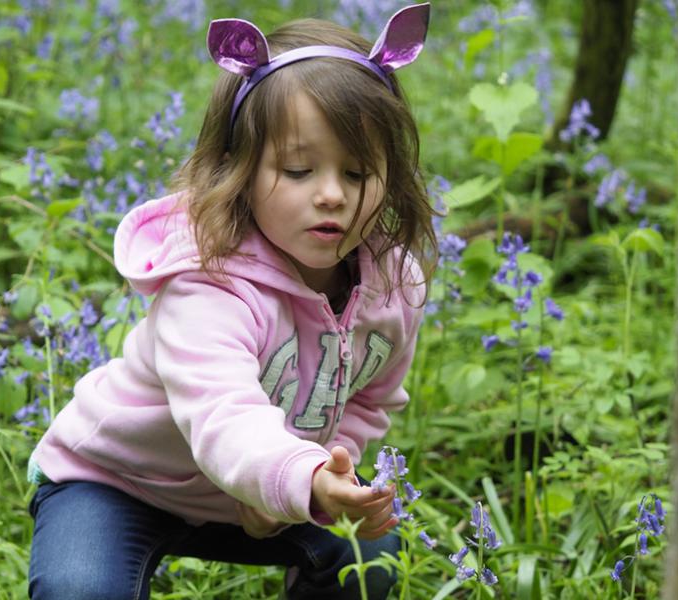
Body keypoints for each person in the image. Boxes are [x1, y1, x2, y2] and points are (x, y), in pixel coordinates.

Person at [27, 3, 436, 599]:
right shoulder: (207, 281)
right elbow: (222, 414)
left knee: (369, 556)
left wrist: (326, 473)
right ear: (240, 170)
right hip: (119, 483)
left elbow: (369, 397)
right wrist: (300, 474)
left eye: (357, 173)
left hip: (272, 488)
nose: (332, 195)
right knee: (80, 588)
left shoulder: (393, 287)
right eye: (299, 170)